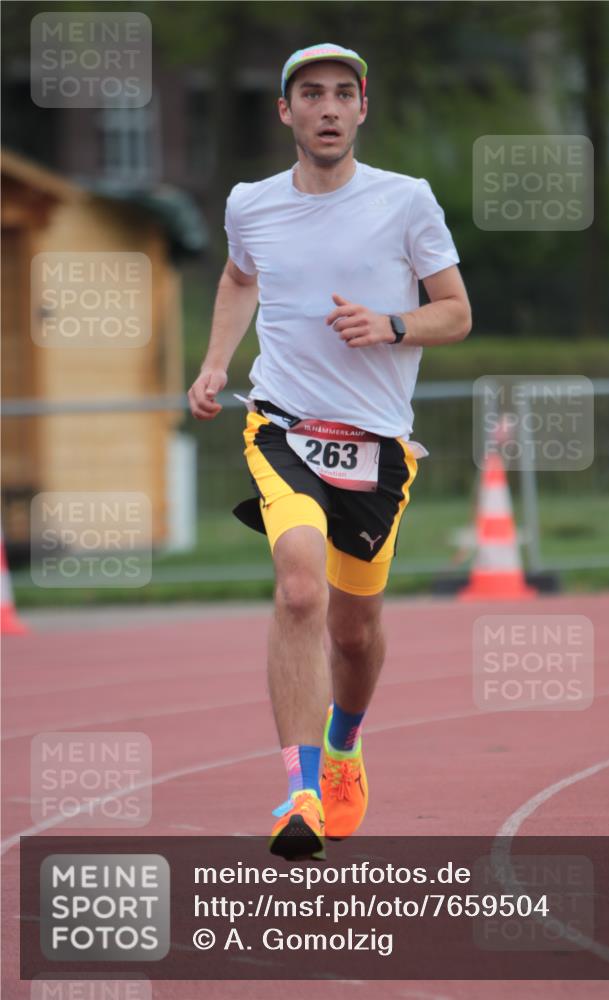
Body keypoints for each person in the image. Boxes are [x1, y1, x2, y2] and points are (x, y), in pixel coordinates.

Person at [188, 42, 472, 861]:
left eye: (342, 93)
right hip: (282, 424)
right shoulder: (250, 204)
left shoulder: (406, 200)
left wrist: (391, 324)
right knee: (299, 587)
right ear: (285, 111)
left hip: (375, 445)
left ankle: (344, 742)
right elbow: (239, 277)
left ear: (361, 109)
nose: (327, 107)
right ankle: (300, 790)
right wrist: (214, 364)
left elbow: (454, 313)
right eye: (310, 94)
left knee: (353, 632)